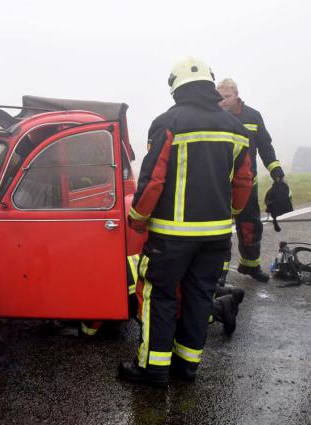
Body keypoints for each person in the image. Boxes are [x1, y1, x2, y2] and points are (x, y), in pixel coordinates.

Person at [117, 56, 253, 386]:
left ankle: (153, 369)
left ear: (176, 88)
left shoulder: (169, 122)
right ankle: (187, 366)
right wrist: (229, 214)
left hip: (171, 236)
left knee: (157, 295)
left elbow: (153, 181)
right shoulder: (236, 128)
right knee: (198, 297)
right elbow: (244, 181)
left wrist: (137, 218)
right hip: (217, 236)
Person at [217, 78, 285, 283]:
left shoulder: (253, 117)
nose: (223, 101)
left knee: (250, 225)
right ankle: (220, 272)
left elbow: (265, 146)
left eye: (227, 97)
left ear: (237, 95)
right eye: (220, 97)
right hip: (220, 185)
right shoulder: (213, 117)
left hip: (247, 184)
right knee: (220, 229)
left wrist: (276, 171)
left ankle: (250, 265)